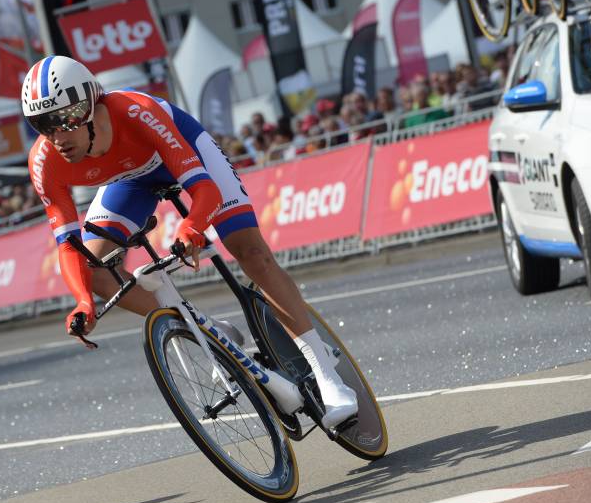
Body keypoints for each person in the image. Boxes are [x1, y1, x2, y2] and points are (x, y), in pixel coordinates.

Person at [22, 55, 357, 428]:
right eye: (41, 124)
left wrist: (192, 227)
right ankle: (213, 332)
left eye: (64, 120)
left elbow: (203, 189)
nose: (56, 136)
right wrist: (83, 301)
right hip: (128, 181)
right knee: (96, 272)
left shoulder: (136, 110)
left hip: (184, 154)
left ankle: (327, 376)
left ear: (88, 108)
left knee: (250, 251)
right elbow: (68, 247)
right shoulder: (44, 159)